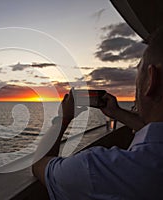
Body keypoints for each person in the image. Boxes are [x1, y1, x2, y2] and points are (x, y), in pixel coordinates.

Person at [32, 28, 163, 200]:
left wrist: (62, 119)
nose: (135, 86)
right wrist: (116, 113)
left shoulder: (96, 170)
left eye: (138, 74)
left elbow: (39, 164)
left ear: (151, 80)